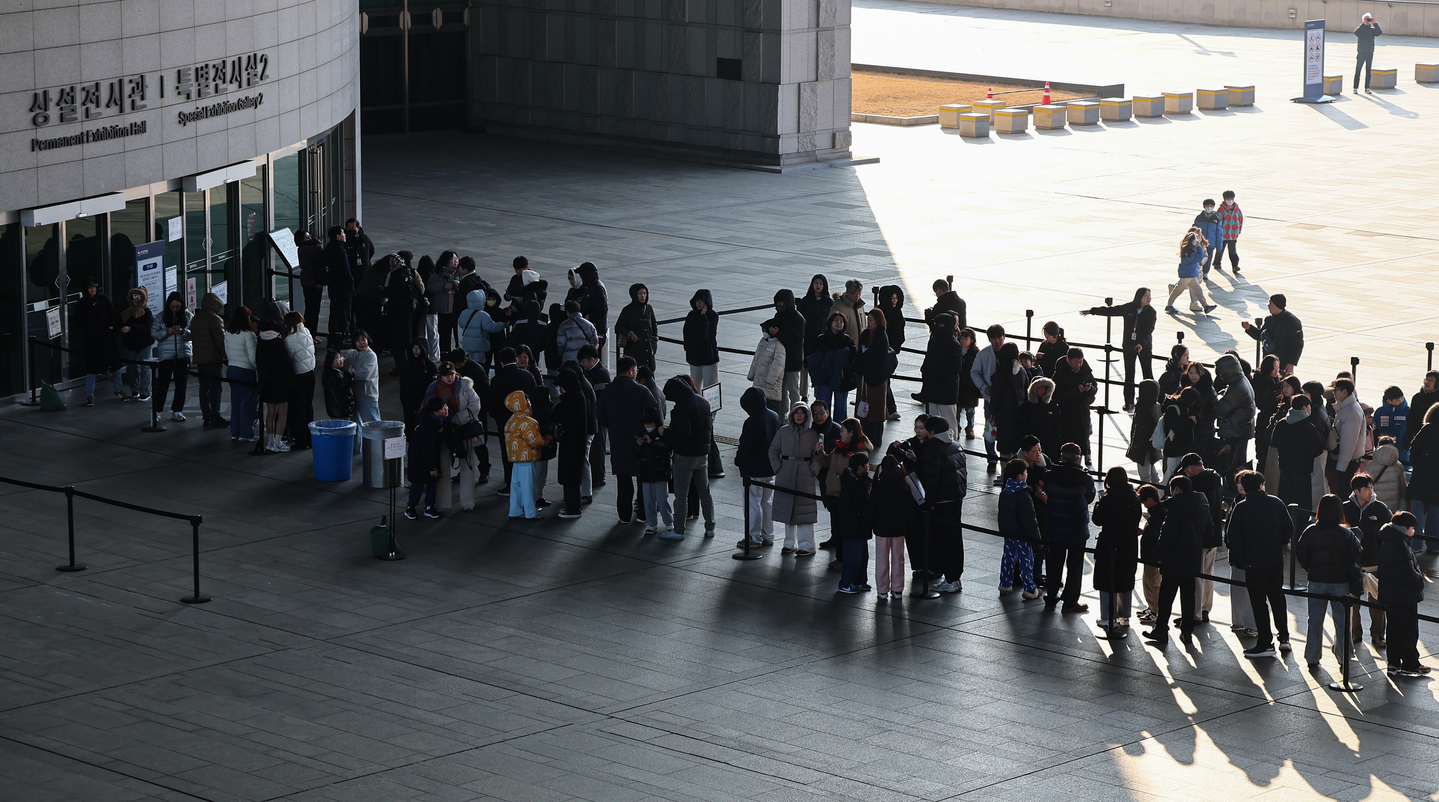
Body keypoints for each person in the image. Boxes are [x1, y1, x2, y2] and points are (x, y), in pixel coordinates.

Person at [1225, 470, 1294, 658]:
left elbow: (1232, 536)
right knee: (1277, 599)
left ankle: (1265, 641)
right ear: (1262, 484)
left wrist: (1241, 557)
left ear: (1244, 488)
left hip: (1253, 563)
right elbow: (1289, 527)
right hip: (1274, 559)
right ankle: (1284, 637)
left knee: (1259, 602)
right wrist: (1277, 542)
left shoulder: (1242, 507)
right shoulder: (1276, 502)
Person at [1294, 493, 1362, 668]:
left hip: (1316, 580)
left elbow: (1301, 552)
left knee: (1315, 620)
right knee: (1341, 622)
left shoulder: (1311, 531)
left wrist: (1310, 567)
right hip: (1340, 581)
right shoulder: (1345, 533)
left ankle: (1312, 657)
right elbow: (1357, 552)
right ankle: (1344, 657)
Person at [1143, 474, 1207, 648]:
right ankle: (1187, 631)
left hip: (1174, 559)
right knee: (1188, 596)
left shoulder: (1175, 508)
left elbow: (1167, 535)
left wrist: (1160, 551)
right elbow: (1209, 529)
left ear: (1177, 489)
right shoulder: (1202, 504)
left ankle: (1161, 629)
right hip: (1193, 558)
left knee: (1166, 597)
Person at [598, 355, 661, 524]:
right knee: (642, 479)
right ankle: (642, 515)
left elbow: (601, 416)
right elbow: (653, 414)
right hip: (639, 441)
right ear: (632, 370)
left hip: (618, 441)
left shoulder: (608, 391)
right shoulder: (641, 391)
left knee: (623, 480)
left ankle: (624, 516)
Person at [1081, 288, 1155, 411]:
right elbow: (1112, 310)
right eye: (1146, 295)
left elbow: (1149, 330)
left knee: (1147, 374)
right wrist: (1092, 311)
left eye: (1149, 295)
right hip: (1129, 346)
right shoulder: (1130, 308)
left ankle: (1150, 399)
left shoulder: (1151, 312)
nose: (1149, 298)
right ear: (1139, 297)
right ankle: (1129, 402)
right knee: (1129, 374)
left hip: (1144, 347)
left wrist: (1141, 343)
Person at [916, 416, 966, 593]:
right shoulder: (955, 445)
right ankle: (955, 577)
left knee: (944, 541)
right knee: (955, 538)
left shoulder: (933, 449)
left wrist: (930, 503)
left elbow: (932, 479)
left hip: (942, 502)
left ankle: (951, 578)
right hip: (956, 498)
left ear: (933, 432)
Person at [1042, 443, 1095, 611]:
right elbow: (1090, 497)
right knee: (1075, 566)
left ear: (1062, 456)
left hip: (1055, 527)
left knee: (1053, 563)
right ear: (1079, 459)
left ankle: (1051, 597)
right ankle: (1070, 602)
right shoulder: (1085, 478)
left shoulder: (1050, 475)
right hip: (1077, 530)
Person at [425, 361, 483, 512]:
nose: (449, 378)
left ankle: (468, 503)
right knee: (443, 466)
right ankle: (442, 503)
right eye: (445, 375)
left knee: (468, 465)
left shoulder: (465, 385)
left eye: (451, 374)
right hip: (443, 432)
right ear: (440, 375)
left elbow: (475, 405)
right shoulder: (433, 388)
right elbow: (427, 409)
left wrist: (458, 418)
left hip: (463, 431)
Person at [1377, 511, 1429, 677]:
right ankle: (1410, 663)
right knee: (1408, 630)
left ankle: (1393, 663)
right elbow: (1407, 572)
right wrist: (1420, 579)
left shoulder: (1388, 540)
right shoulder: (1400, 544)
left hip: (1391, 594)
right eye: (1412, 528)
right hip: (1404, 596)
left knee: (1393, 629)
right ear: (1405, 528)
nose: (1414, 531)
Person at [664, 375, 716, 539]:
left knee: (681, 494)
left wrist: (665, 432)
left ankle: (679, 530)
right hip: (702, 456)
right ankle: (710, 527)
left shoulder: (682, 407)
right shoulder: (703, 402)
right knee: (705, 493)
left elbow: (682, 434)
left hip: (684, 456)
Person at [1342, 473, 1390, 651]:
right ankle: (1355, 633)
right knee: (1352, 601)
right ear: (1356, 491)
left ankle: (1378, 635)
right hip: (1353, 564)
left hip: (1375, 563)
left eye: (1372, 488)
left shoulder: (1381, 509)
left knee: (1378, 601)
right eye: (1367, 488)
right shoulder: (1345, 508)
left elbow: (1388, 534)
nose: (1371, 491)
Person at [1092, 466, 1141, 628]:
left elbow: (1098, 520)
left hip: (1109, 542)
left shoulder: (1108, 498)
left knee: (1106, 579)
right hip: (1128, 543)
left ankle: (1107, 617)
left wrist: (1099, 502)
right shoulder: (1134, 497)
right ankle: (1124, 616)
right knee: (1126, 578)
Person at [769, 402, 821, 555]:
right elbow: (773, 450)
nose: (799, 415)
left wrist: (813, 470)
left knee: (804, 511)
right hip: (786, 472)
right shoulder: (783, 432)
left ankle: (807, 545)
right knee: (788, 509)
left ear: (806, 416)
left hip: (805, 474)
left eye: (802, 412)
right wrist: (778, 467)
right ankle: (789, 542)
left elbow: (816, 455)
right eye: (796, 412)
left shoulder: (812, 434)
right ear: (792, 415)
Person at [735, 386, 780, 547]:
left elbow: (746, 447)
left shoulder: (752, 421)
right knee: (767, 503)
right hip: (770, 469)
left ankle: (754, 537)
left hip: (753, 470)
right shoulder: (774, 416)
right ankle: (769, 535)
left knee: (753, 503)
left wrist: (738, 461)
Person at [490, 348, 537, 494]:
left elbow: (492, 403)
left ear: (501, 362)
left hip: (505, 422)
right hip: (525, 421)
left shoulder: (497, 379)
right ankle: (527, 484)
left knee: (508, 454)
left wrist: (496, 416)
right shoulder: (527, 375)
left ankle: (510, 483)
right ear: (516, 360)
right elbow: (534, 395)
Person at [997, 459, 1044, 600]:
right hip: (1022, 535)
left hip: (1009, 533)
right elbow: (1030, 520)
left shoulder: (1006, 491)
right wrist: (1037, 541)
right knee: (1026, 561)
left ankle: (1005, 585)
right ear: (1020, 476)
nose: (1027, 474)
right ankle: (1030, 589)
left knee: (1008, 558)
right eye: (1025, 472)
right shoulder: (1023, 496)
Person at [870, 454, 914, 599]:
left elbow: (872, 507)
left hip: (882, 527)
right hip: (899, 528)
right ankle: (897, 589)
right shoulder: (904, 485)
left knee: (882, 558)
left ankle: (882, 590)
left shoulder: (878, 485)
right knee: (898, 557)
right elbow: (909, 508)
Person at [1270, 394, 1325, 508]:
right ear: (1304, 407)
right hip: (1302, 471)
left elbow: (1273, 442)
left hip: (1285, 470)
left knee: (1285, 502)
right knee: (1301, 505)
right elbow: (1317, 449)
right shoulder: (1308, 427)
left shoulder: (1282, 423)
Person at [73, 279, 122, 406]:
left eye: (94, 287)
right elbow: (79, 321)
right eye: (90, 288)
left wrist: (112, 326)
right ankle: (89, 395)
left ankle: (119, 390)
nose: (93, 289)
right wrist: (88, 332)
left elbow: (112, 313)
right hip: (92, 340)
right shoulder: (82, 303)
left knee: (115, 365)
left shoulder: (103, 299)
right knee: (92, 368)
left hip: (107, 337)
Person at [1214, 353, 1256, 497]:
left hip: (1235, 432)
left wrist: (1218, 396)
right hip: (1240, 430)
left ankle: (1233, 493)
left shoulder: (1237, 386)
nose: (1219, 376)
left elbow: (1221, 408)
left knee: (1232, 466)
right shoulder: (1241, 380)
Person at [554, 367, 593, 519]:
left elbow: (560, 414)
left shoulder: (572, 399)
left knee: (569, 476)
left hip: (571, 444)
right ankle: (573, 507)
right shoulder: (579, 395)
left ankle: (572, 509)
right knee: (573, 476)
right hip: (576, 443)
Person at [502, 389, 548, 519]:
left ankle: (515, 510)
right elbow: (535, 441)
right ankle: (530, 512)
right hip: (527, 458)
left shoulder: (511, 421)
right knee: (529, 486)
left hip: (515, 459)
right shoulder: (529, 422)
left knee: (516, 486)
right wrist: (546, 440)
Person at [915, 312, 962, 431]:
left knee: (949, 422)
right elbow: (928, 360)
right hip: (933, 388)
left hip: (946, 390)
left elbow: (954, 369)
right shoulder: (934, 341)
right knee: (931, 422)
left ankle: (952, 447)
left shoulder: (953, 345)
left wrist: (938, 379)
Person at [855, 309, 896, 446]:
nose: (868, 322)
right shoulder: (866, 334)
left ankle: (875, 439)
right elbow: (862, 353)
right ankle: (864, 435)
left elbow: (876, 357)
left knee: (876, 409)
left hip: (876, 379)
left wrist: (865, 357)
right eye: (868, 319)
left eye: (871, 320)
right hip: (865, 377)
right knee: (864, 406)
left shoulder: (881, 336)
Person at [150, 291, 192, 422]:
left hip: (183, 354)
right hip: (165, 356)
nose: (174, 309)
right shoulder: (161, 317)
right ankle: (157, 411)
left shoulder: (188, 316)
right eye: (172, 306)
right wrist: (167, 332)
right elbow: (154, 334)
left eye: (177, 306)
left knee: (181, 385)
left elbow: (193, 334)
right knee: (162, 384)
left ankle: (177, 411)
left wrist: (183, 332)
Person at [835, 454, 874, 594]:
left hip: (860, 524)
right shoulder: (852, 483)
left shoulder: (858, 480)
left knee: (862, 555)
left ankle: (859, 580)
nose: (868, 467)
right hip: (853, 525)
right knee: (853, 556)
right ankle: (846, 583)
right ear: (860, 467)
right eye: (867, 464)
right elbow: (848, 506)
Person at [1403, 404, 1439, 553]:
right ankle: (1434, 545)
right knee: (1435, 512)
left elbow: (1413, 450)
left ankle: (1415, 544)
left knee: (1416, 510)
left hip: (1420, 477)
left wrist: (1418, 464)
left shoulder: (1427, 429)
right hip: (1437, 482)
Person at [404, 397, 448, 520]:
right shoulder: (428, 428)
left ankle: (429, 507)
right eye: (443, 408)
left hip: (427, 459)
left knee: (432, 483)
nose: (446, 409)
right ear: (435, 413)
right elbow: (427, 450)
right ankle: (410, 507)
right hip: (419, 461)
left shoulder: (434, 422)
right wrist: (432, 467)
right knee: (418, 484)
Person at [254, 320, 295, 452]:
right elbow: (285, 366)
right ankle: (278, 442)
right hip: (280, 383)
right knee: (282, 413)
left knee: (270, 413)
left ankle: (270, 441)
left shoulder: (260, 341)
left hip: (266, 383)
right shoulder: (277, 342)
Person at [806, 312, 854, 420]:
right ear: (830, 322)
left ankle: (840, 430)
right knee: (822, 406)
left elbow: (853, 360)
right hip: (824, 378)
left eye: (842, 321)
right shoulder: (821, 339)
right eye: (836, 320)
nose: (839, 323)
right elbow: (814, 359)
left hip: (841, 379)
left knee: (841, 408)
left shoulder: (847, 341)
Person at [634, 409, 674, 535]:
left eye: (650, 424)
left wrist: (651, 444)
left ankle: (668, 522)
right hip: (647, 473)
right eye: (646, 424)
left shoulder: (661, 434)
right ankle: (651, 524)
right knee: (648, 500)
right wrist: (638, 446)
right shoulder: (641, 435)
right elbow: (636, 454)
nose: (648, 427)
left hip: (660, 472)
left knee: (662, 499)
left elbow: (665, 450)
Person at [971, 324, 1006, 471]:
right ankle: (991, 458)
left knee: (1005, 427)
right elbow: (974, 372)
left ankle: (1004, 456)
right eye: (994, 338)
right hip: (990, 398)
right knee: (990, 426)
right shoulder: (983, 354)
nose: (997, 341)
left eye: (1000, 337)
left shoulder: (1009, 352)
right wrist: (984, 387)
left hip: (1006, 398)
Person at [1242, 295, 1303, 375]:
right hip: (1268, 361)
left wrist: (1291, 362)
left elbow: (1298, 344)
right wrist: (1249, 328)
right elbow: (1262, 336)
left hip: (1283, 363)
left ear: (1277, 305)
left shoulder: (1292, 322)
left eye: (1270, 303)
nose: (1268, 306)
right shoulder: (1269, 320)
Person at [579, 346, 611, 494]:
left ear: (592, 359)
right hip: (595, 416)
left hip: (599, 418)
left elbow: (600, 399)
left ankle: (598, 476)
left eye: (584, 361)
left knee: (598, 448)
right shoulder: (593, 371)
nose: (582, 364)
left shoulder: (601, 374)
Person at [1164, 227, 1216, 315]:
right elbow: (1200, 257)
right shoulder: (1190, 252)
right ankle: (1169, 305)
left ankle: (1206, 306)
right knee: (1177, 291)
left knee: (1198, 291)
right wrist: (1199, 247)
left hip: (1191, 274)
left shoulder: (1189, 249)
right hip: (1187, 275)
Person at [284, 312, 317, 450]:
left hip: (299, 376)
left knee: (298, 410)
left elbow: (288, 358)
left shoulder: (290, 339)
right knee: (308, 407)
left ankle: (301, 442)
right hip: (310, 373)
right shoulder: (307, 332)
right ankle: (310, 438)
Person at [796, 275, 832, 398]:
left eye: (821, 283)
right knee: (805, 367)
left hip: (821, 340)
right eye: (816, 283)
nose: (818, 286)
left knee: (819, 367)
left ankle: (818, 395)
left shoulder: (828, 302)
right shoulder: (806, 301)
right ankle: (804, 395)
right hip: (807, 339)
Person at [345, 331, 380, 453]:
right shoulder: (352, 354)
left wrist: (352, 373)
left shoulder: (371, 356)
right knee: (355, 424)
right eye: (358, 340)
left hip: (368, 396)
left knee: (373, 424)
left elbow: (364, 374)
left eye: (363, 339)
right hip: (354, 395)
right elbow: (345, 367)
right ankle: (355, 449)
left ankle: (377, 449)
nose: (361, 343)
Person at [772, 288, 806, 412]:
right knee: (781, 390)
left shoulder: (798, 319)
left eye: (782, 302)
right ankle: (783, 415)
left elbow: (795, 339)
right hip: (780, 359)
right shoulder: (779, 315)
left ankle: (796, 413)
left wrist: (778, 333)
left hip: (792, 360)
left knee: (793, 390)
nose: (779, 305)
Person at [118, 287, 155, 401]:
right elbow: (119, 320)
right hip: (131, 343)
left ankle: (145, 391)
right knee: (131, 366)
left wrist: (131, 328)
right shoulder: (127, 310)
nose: (136, 299)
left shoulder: (146, 312)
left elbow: (147, 327)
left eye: (139, 297)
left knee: (145, 366)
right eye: (134, 296)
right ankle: (135, 389)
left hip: (145, 342)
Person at [1136, 484, 1165, 625]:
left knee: (1152, 584)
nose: (1144, 505)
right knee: (1149, 582)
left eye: (1144, 502)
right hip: (1153, 556)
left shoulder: (1157, 514)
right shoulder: (1159, 512)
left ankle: (1155, 611)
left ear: (1149, 499)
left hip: (1153, 557)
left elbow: (1155, 536)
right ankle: (1152, 608)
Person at [1331, 379, 1367, 492]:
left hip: (1348, 463)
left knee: (1344, 494)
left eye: (1336, 390)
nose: (1334, 393)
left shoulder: (1351, 411)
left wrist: (1341, 467)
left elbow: (1348, 443)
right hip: (1348, 462)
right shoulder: (1346, 408)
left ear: (1344, 392)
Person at [569, 262, 609, 361]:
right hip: (590, 328)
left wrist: (589, 317)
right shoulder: (590, 287)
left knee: (591, 358)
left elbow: (602, 309)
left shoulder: (597, 288)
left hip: (596, 330)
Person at [614, 283, 658, 373]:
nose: (643, 296)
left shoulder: (648, 308)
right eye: (640, 294)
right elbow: (619, 327)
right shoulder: (628, 310)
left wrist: (655, 338)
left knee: (649, 374)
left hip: (648, 348)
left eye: (645, 293)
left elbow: (654, 324)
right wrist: (630, 334)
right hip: (634, 348)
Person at [682, 289, 719, 391]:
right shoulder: (691, 315)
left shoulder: (712, 315)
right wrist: (688, 349)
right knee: (694, 386)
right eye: (697, 301)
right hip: (694, 356)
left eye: (702, 301)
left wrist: (703, 316)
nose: (699, 304)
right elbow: (686, 333)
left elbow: (708, 334)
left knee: (710, 386)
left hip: (708, 357)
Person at [749, 319, 788, 416]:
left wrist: (770, 380)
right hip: (759, 384)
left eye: (765, 331)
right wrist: (752, 374)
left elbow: (778, 365)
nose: (763, 333)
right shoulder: (763, 342)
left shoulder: (778, 345)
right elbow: (756, 359)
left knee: (771, 414)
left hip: (771, 389)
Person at [1128, 379, 1164, 484]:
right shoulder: (1156, 406)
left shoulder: (1144, 409)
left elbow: (1140, 431)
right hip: (1152, 445)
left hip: (1143, 447)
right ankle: (1157, 489)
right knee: (1152, 470)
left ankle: (1147, 491)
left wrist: (1135, 446)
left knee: (1144, 474)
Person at [878, 285, 905, 419]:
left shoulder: (897, 312)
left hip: (890, 352)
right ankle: (890, 408)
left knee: (886, 379)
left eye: (896, 298)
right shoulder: (880, 312)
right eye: (892, 298)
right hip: (880, 352)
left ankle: (888, 408)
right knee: (885, 380)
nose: (894, 301)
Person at [458, 288, 506, 366]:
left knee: (469, 364)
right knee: (478, 365)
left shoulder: (464, 312)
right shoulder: (483, 315)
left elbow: (460, 323)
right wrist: (502, 325)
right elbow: (492, 327)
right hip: (479, 345)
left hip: (467, 344)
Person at [323, 226, 354, 345]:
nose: (345, 235)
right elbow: (346, 271)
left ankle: (333, 337)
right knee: (344, 313)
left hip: (334, 286)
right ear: (338, 236)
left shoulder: (329, 248)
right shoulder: (340, 250)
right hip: (343, 288)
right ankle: (341, 338)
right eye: (343, 233)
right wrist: (351, 286)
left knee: (334, 312)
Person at [398, 340, 437, 430]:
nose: (416, 350)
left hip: (423, 400)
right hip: (408, 399)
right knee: (409, 421)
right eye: (414, 348)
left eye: (418, 348)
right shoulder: (407, 364)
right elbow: (403, 383)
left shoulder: (430, 366)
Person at [295, 230, 326, 336]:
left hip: (311, 282)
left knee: (313, 310)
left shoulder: (306, 248)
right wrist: (317, 242)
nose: (310, 239)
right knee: (312, 310)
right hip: (311, 283)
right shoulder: (305, 249)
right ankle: (310, 334)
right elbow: (319, 247)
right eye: (307, 237)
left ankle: (312, 333)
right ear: (301, 240)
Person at [1402, 371, 1439, 453]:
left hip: (1434, 439)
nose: (1427, 382)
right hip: (1417, 437)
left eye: (1431, 380)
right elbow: (1411, 418)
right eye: (1426, 379)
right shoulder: (1417, 397)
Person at [1372, 386, 1409, 463]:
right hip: (1383, 452)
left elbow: (1413, 429)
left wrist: (1407, 445)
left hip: (1402, 453)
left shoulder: (1408, 412)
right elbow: (1375, 429)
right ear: (1389, 401)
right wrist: (1377, 444)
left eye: (1402, 398)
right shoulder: (1380, 412)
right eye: (1398, 400)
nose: (1401, 401)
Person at [320, 350, 355, 422]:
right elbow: (342, 387)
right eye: (338, 359)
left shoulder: (330, 374)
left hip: (336, 409)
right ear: (331, 363)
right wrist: (348, 376)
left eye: (341, 358)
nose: (341, 360)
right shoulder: (334, 375)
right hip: (340, 408)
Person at [1192, 200, 1223, 278]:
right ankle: (1198, 272)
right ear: (1204, 207)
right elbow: (1194, 228)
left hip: (1210, 243)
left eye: (1211, 206)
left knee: (1208, 258)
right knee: (1199, 257)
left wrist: (1219, 246)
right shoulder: (1199, 217)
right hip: (1200, 242)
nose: (1209, 208)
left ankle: (1205, 272)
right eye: (1207, 206)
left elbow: (1219, 233)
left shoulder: (1216, 219)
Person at [1216, 190, 1243, 274]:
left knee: (1233, 251)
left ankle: (1235, 266)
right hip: (1223, 234)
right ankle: (1217, 262)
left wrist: (1238, 230)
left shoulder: (1237, 209)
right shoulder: (1221, 210)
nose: (1230, 200)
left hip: (1233, 234)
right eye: (1228, 199)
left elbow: (1240, 220)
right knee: (1220, 250)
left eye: (1231, 198)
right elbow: (1218, 221)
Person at [1354, 13, 1383, 93]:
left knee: (1368, 71)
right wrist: (1363, 24)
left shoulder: (1372, 30)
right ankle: (1355, 88)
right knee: (1358, 70)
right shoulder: (1361, 29)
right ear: (1363, 20)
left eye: (1368, 19)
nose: (1367, 21)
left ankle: (1367, 88)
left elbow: (1379, 33)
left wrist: (1374, 23)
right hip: (1361, 53)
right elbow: (1356, 33)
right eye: (1366, 19)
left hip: (1369, 53)